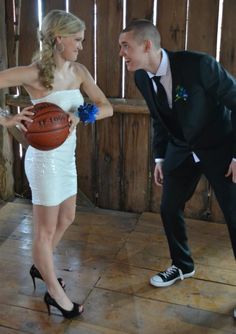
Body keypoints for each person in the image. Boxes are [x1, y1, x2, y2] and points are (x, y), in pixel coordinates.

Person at [0, 9, 113, 318]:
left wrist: (81, 114)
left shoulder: (79, 71)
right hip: (44, 163)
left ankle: (42, 267)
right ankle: (55, 292)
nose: (80, 45)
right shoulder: (32, 73)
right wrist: (7, 119)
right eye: (77, 39)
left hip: (66, 158)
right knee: (44, 233)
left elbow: (107, 107)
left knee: (68, 217)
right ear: (59, 38)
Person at [119, 20, 236, 294]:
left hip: (221, 147)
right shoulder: (140, 77)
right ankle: (182, 264)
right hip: (180, 149)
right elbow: (159, 118)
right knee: (169, 208)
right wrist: (160, 157)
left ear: (147, 46)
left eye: (126, 46)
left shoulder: (199, 65)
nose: (121, 53)